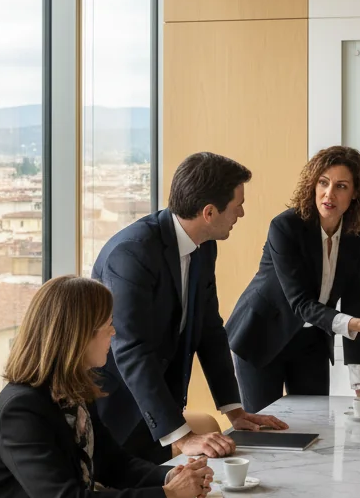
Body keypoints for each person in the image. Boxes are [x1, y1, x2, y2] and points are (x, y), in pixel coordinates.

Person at [0, 276, 213, 498]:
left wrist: (170, 478)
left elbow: (114, 464)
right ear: (79, 336)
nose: (114, 332)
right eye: (107, 325)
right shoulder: (21, 410)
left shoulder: (73, 391)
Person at [92, 152, 286, 464]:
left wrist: (233, 409)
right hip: (117, 411)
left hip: (155, 410)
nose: (242, 213)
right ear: (209, 212)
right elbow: (130, 349)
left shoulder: (205, 246)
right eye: (238, 204)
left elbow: (209, 331)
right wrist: (183, 437)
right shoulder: (132, 253)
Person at [228, 146, 360, 413]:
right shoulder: (285, 227)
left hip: (311, 342)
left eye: (341, 186)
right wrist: (351, 323)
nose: (329, 194)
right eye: (323, 182)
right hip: (262, 337)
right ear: (313, 184)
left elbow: (355, 300)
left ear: (355, 193)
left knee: (316, 426)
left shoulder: (357, 233)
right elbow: (300, 303)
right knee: (265, 433)